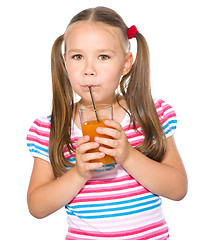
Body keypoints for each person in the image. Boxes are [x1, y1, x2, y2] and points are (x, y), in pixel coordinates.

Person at [26, 6, 187, 239]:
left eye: (103, 57)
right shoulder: (51, 128)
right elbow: (37, 206)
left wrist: (128, 156)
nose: (88, 70)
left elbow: (178, 188)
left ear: (126, 63)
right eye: (78, 57)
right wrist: (79, 173)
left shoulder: (150, 114)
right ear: (64, 63)